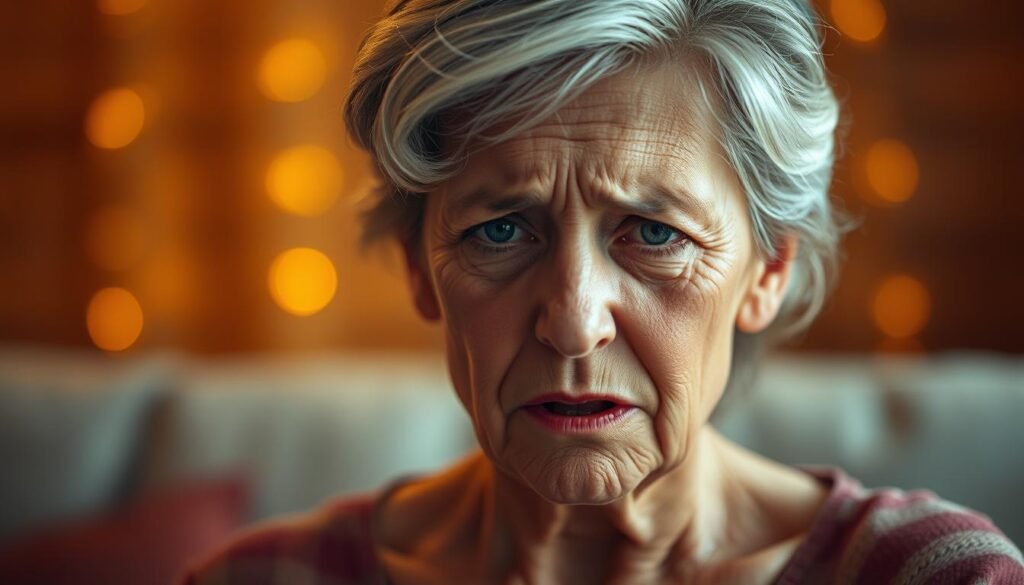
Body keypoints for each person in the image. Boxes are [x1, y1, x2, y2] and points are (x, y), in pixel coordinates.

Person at [180, 0, 1024, 583]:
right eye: (501, 230)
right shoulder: (262, 576)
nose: (575, 323)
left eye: (655, 233)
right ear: (417, 268)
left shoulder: (931, 573)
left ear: (767, 269)